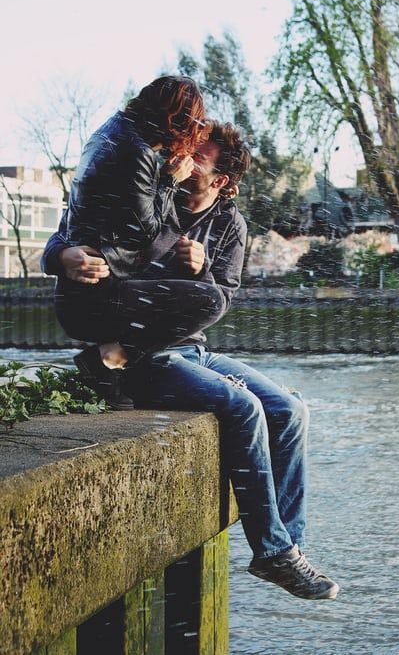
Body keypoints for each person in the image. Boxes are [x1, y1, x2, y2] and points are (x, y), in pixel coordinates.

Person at [41, 121, 340, 601]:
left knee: (290, 410)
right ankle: (272, 551)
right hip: (145, 354)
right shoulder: (146, 195)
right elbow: (65, 233)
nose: (181, 156)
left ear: (222, 182)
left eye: (198, 155)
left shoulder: (229, 225)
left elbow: (219, 301)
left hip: (191, 347)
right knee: (243, 408)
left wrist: (200, 270)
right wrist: (62, 258)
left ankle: (287, 548)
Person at [54, 76, 224, 407]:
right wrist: (169, 182)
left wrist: (57, 256)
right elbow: (145, 235)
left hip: (77, 294)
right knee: (211, 301)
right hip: (97, 299)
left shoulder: (106, 134)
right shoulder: (136, 151)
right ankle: (109, 360)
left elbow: (80, 218)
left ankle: (116, 364)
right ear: (176, 121)